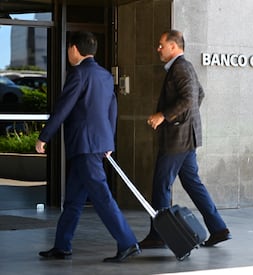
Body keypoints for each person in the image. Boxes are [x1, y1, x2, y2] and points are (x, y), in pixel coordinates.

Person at [35, 31, 140, 263]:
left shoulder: (78, 75)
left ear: (74, 49)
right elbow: (112, 109)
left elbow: (63, 107)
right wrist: (109, 141)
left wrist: (44, 137)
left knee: (102, 196)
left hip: (85, 145)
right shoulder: (103, 75)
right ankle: (62, 246)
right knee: (73, 199)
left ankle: (128, 242)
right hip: (96, 143)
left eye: (68, 49)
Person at [140, 30, 231, 248]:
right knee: (192, 183)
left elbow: (190, 98)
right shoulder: (181, 68)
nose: (158, 48)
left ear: (174, 46)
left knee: (161, 185)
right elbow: (199, 94)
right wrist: (186, 121)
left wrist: (164, 116)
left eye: (162, 44)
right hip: (185, 137)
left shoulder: (180, 67)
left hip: (178, 139)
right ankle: (218, 229)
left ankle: (158, 235)